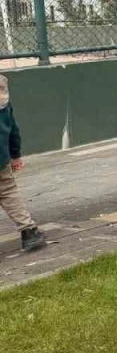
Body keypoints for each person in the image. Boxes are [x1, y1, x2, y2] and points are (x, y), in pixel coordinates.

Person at [0, 75, 45, 252]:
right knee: (8, 192)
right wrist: (15, 155)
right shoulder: (3, 100)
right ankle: (29, 231)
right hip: (1, 158)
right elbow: (13, 130)